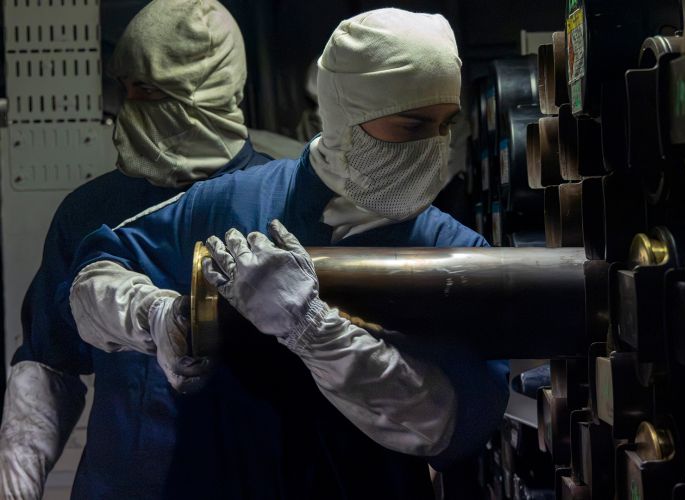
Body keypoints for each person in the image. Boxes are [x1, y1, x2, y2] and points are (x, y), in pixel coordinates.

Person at [65, 8, 509, 499]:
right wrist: (158, 317)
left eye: (446, 123)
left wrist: (313, 329)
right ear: (346, 117)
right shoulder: (231, 204)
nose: (434, 146)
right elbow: (93, 279)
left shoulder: (454, 254)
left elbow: (451, 427)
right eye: (411, 126)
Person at [0, 0, 272, 497]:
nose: (130, 108)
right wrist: (19, 483)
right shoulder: (93, 209)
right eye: (124, 90)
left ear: (208, 89)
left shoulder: (280, 200)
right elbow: (49, 361)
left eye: (147, 90)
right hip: (122, 481)